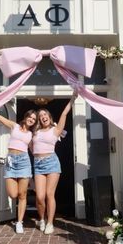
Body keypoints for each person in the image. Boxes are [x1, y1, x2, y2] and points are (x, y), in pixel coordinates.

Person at [0, 102, 37, 234]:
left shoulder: (31, 135)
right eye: (30, 117)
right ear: (26, 116)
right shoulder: (14, 126)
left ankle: (19, 222)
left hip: (24, 162)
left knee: (22, 195)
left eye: (34, 119)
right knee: (13, 194)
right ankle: (17, 214)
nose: (31, 120)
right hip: (11, 161)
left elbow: (34, 150)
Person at [32, 91, 77, 235]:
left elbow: (64, 114)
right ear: (39, 120)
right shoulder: (36, 132)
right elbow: (30, 146)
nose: (43, 117)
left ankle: (50, 222)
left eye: (45, 115)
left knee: (49, 194)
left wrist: (72, 98)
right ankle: (42, 219)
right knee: (39, 196)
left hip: (52, 163)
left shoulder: (55, 130)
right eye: (41, 116)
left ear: (49, 117)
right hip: (38, 164)